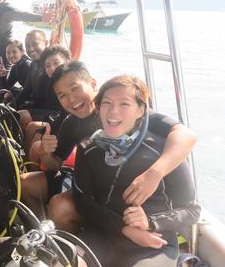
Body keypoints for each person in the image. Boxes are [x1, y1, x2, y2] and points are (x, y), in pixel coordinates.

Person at [20, 61, 197, 231]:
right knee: (25, 183)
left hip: (124, 187)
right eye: (62, 95)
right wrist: (45, 153)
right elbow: (55, 165)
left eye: (75, 88)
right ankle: (42, 234)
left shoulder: (122, 111)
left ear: (93, 83)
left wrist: (154, 174)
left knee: (61, 206)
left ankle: (76, 239)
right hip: (87, 182)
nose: (71, 99)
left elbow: (186, 135)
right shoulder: (71, 123)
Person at [73, 74, 200, 266]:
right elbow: (83, 201)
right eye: (106, 103)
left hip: (152, 244)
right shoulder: (88, 148)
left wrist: (150, 222)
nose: (113, 111)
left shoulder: (164, 151)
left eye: (124, 104)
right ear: (98, 108)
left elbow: (192, 211)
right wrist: (124, 228)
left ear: (141, 110)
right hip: (102, 235)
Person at [24, 45, 71, 159]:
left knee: (35, 142)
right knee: (31, 127)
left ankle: (32, 166)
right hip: (57, 118)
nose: (51, 68)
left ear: (67, 62)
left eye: (56, 63)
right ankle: (27, 163)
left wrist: (44, 130)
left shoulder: (69, 84)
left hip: (67, 125)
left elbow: (67, 115)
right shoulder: (51, 82)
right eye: (47, 66)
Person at [15, 30, 50, 131]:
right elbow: (26, 90)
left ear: (46, 43)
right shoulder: (33, 64)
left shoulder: (51, 66)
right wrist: (10, 105)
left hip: (54, 112)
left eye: (35, 43)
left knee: (22, 115)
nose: (30, 48)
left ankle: (24, 146)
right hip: (39, 106)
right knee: (12, 110)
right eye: (27, 45)